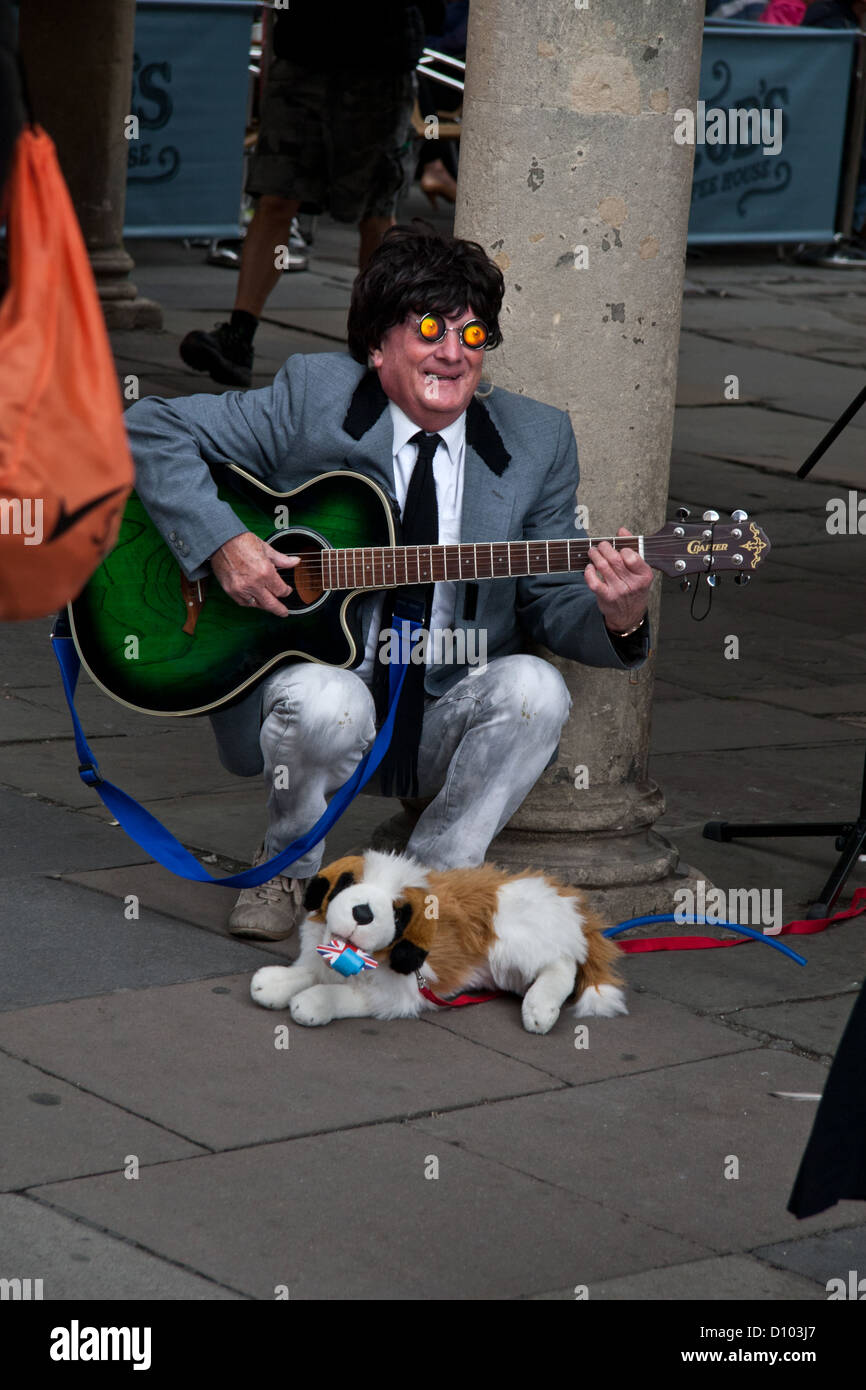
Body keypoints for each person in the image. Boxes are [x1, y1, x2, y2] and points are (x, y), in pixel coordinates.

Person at [126, 223, 653, 941]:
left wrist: (618, 616)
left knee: (536, 688)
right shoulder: (313, 398)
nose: (452, 352)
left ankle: (426, 889)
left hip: (438, 709)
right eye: (431, 328)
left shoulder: (537, 441)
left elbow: (551, 598)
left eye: (474, 336)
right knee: (329, 700)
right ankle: (289, 864)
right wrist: (225, 544)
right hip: (314, 701)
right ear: (377, 346)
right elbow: (148, 426)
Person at [179, 2, 441, 389]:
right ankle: (239, 336)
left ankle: (374, 343)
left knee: (375, 208)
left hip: (378, 58)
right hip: (304, 50)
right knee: (274, 195)